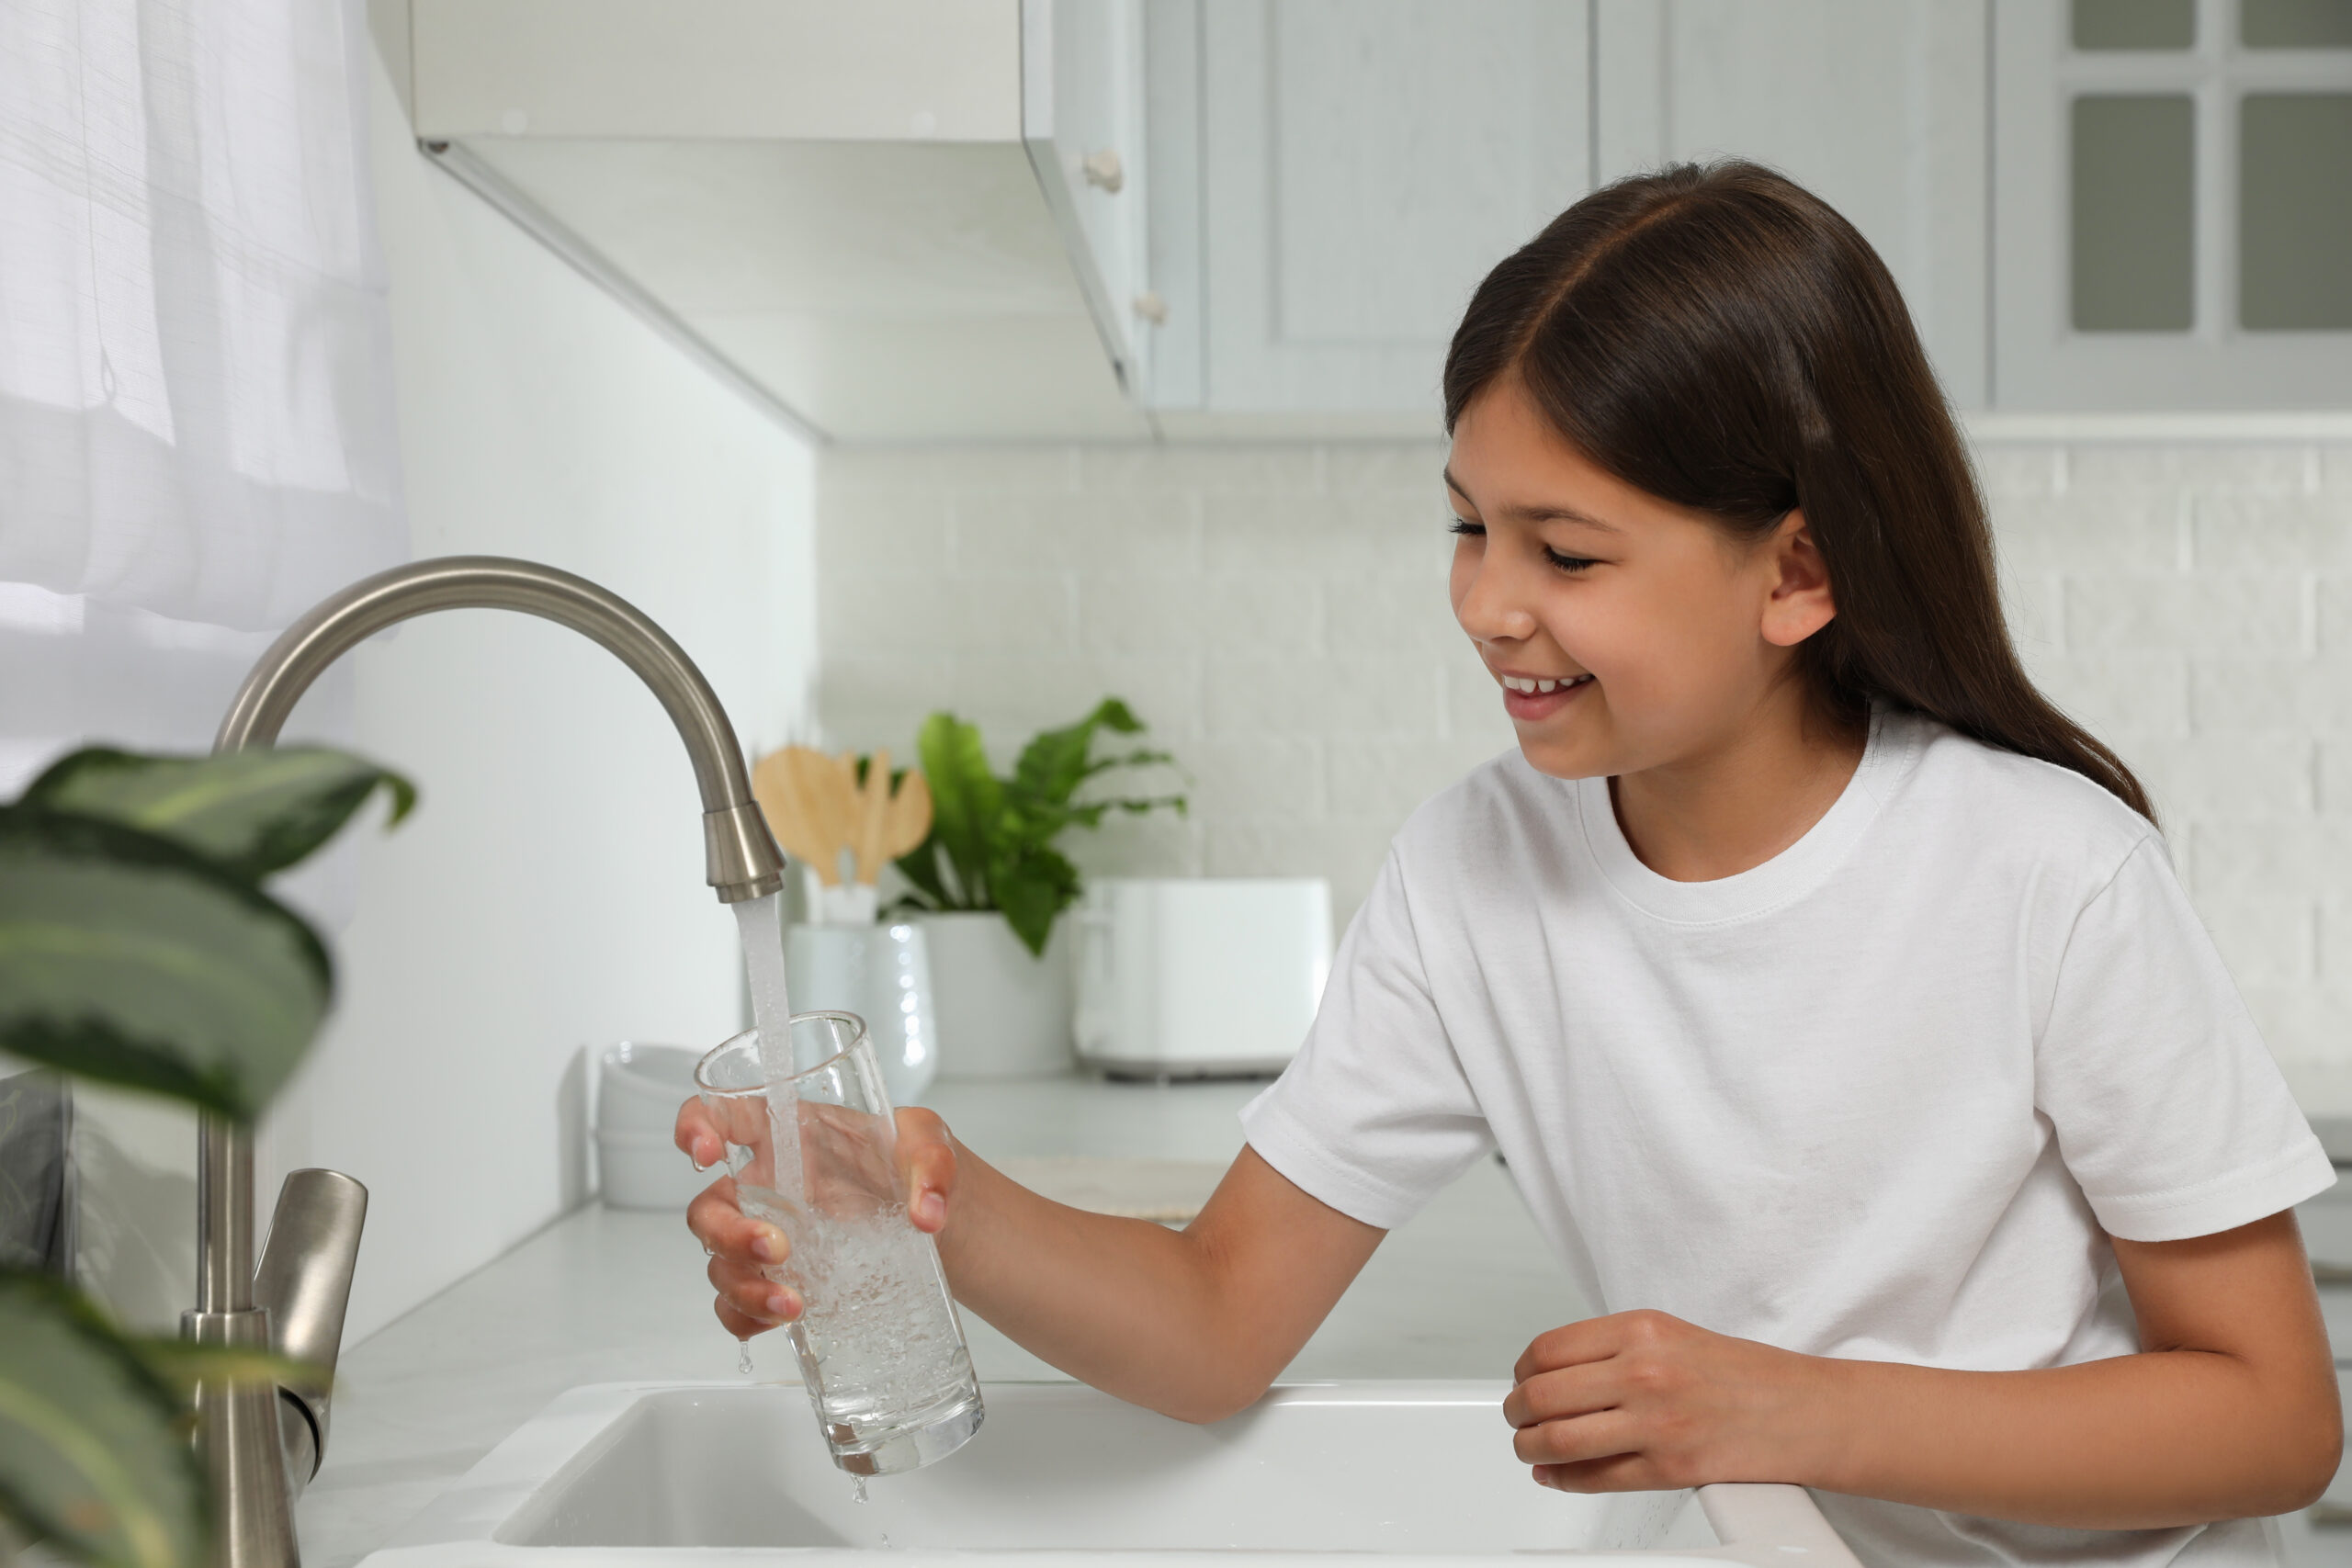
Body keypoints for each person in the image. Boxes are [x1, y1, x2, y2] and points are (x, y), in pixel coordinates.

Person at [677, 162, 2341, 1565]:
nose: (1488, 600)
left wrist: (1785, 1405)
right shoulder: (1475, 871)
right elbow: (1212, 1320)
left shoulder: (2048, 873)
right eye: (1470, 523)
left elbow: (2275, 1419)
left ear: (1800, 569)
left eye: (1569, 549)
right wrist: (924, 1200)